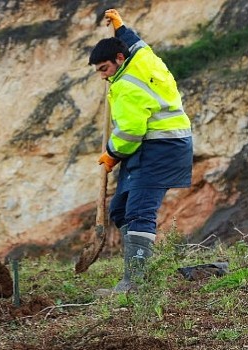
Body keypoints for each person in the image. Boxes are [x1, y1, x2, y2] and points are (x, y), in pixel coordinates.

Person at [89, 9, 193, 293]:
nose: (102, 77)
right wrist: (120, 27)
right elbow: (136, 43)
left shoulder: (126, 86)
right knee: (120, 209)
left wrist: (111, 153)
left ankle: (135, 283)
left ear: (119, 60)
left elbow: (130, 132)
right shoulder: (143, 58)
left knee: (138, 211)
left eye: (104, 69)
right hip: (159, 145)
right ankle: (145, 270)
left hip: (159, 147)